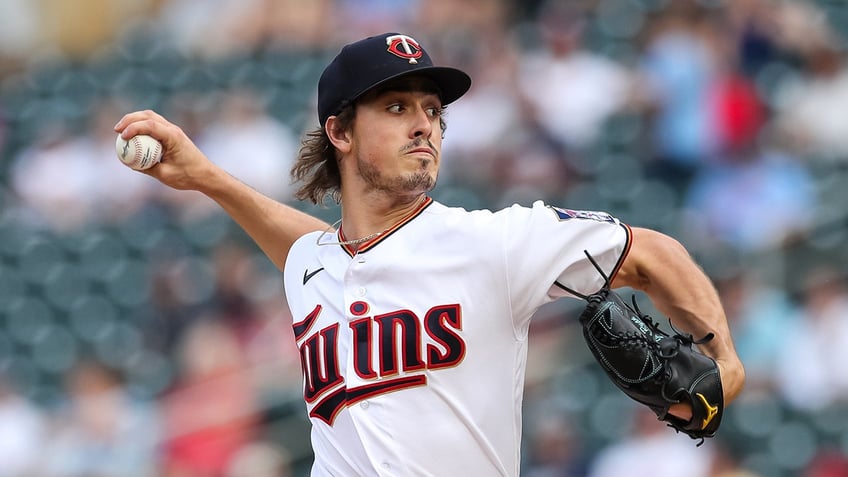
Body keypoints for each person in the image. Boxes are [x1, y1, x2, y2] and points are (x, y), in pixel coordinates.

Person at [114, 32, 745, 476]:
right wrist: (206, 178)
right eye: (396, 107)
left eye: (432, 110)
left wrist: (725, 359)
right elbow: (311, 249)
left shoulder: (495, 242)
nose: (424, 124)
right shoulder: (313, 267)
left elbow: (650, 252)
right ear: (339, 131)